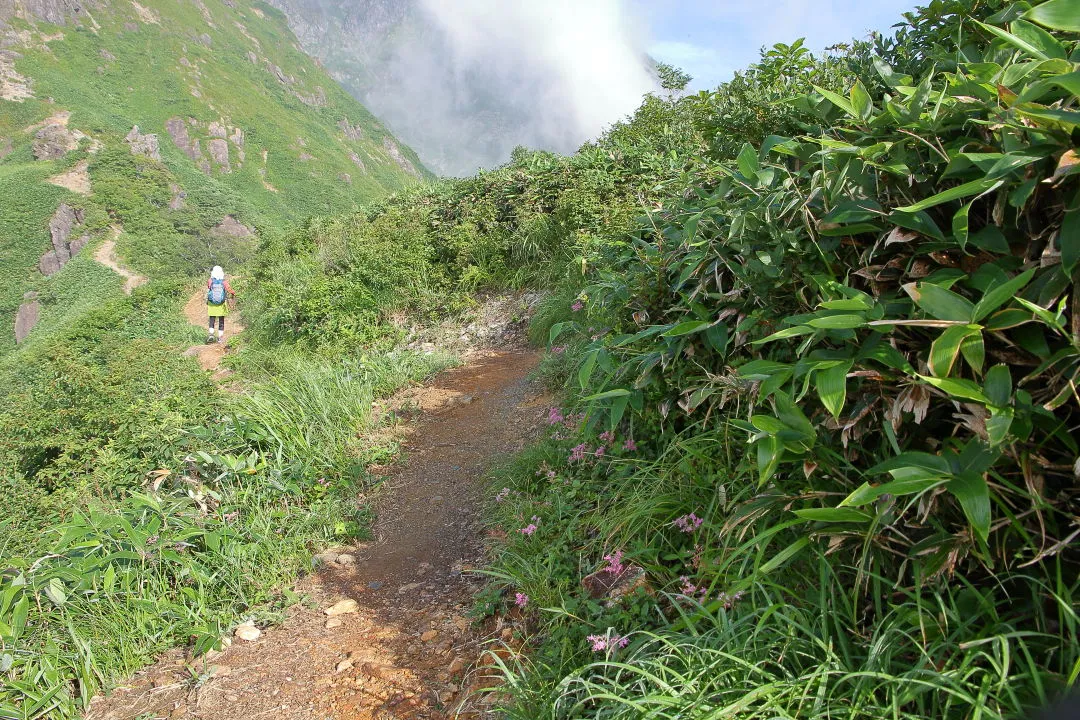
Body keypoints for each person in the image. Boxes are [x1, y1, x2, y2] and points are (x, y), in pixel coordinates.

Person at [206, 266, 236, 344]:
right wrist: (233, 293)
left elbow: (209, 288)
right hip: (221, 303)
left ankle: (211, 335)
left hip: (211, 303)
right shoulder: (224, 282)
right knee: (221, 320)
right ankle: (220, 338)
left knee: (212, 319)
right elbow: (229, 290)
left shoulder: (210, 280)